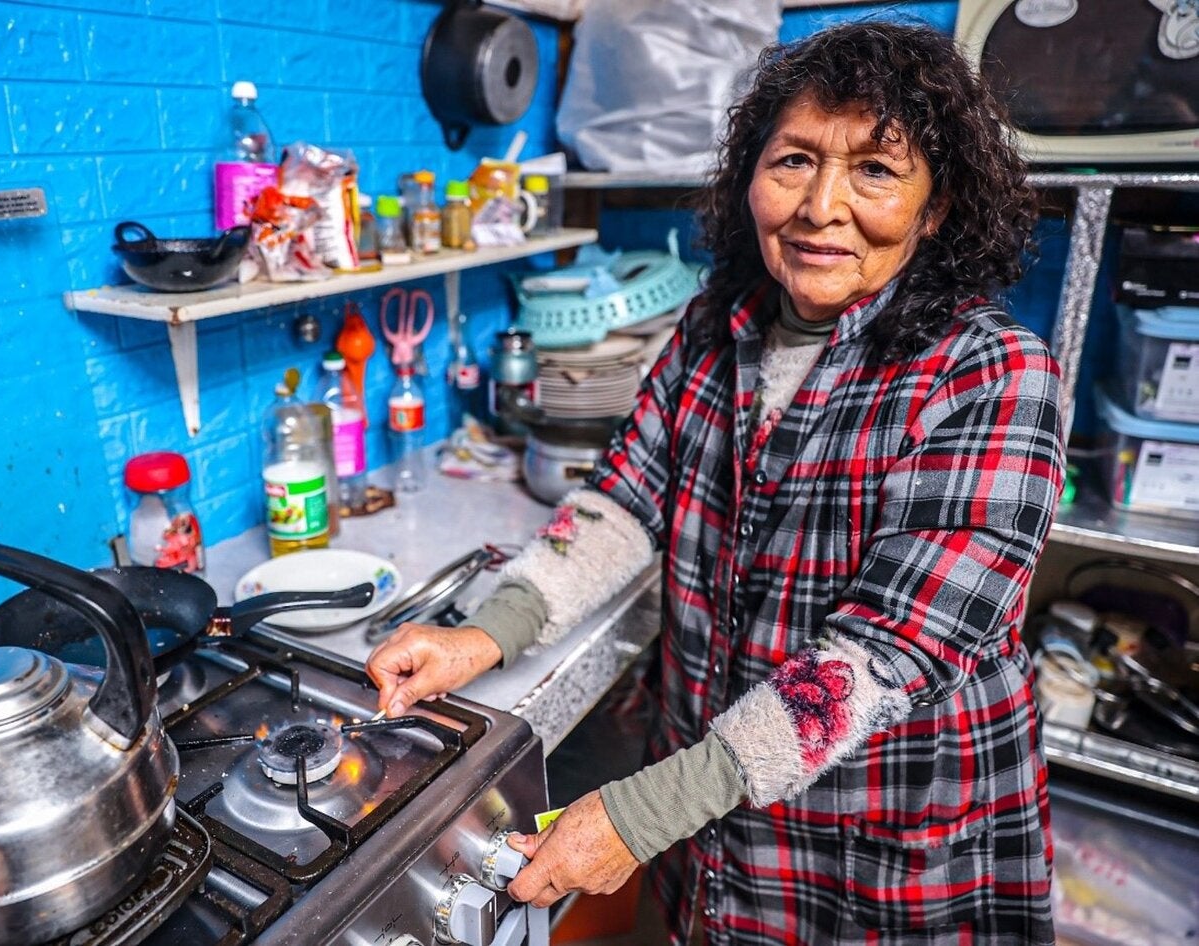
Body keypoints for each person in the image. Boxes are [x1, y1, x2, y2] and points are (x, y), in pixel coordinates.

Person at [367, 21, 1064, 946]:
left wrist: (640, 814)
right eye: (794, 161)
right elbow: (623, 503)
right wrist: (481, 639)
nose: (820, 206)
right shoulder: (714, 326)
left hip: (882, 823)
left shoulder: (991, 373)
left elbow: (885, 655)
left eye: (875, 171)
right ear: (750, 175)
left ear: (936, 207)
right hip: (719, 794)